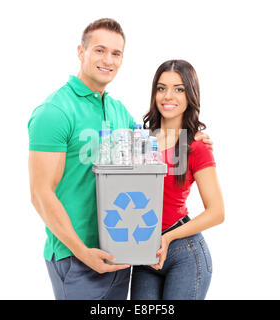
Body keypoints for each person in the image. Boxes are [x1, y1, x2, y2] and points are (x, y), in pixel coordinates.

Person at [28, 19, 213, 300]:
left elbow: (152, 144)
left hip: (121, 253)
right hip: (76, 257)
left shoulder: (117, 112)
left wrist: (193, 136)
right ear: (81, 51)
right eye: (100, 50)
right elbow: (40, 193)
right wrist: (82, 252)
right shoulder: (54, 111)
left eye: (116, 53)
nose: (108, 60)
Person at [130, 60, 225, 300]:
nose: (168, 96)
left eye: (179, 89)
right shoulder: (139, 140)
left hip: (185, 251)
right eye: (161, 88)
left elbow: (217, 212)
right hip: (145, 254)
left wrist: (168, 237)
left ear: (190, 95)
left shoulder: (196, 146)